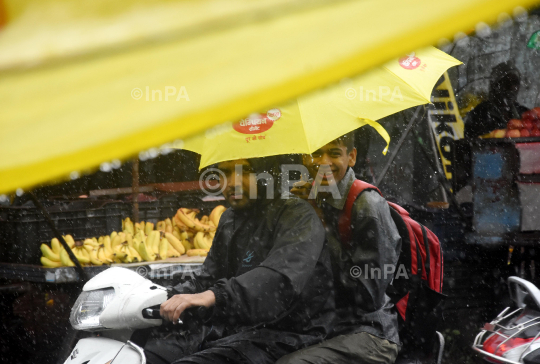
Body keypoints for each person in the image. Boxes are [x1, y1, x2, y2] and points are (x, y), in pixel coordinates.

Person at [144, 156, 335, 364]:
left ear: (267, 173)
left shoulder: (297, 215)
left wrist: (215, 295)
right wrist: (163, 295)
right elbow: (208, 278)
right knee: (149, 354)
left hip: (290, 333)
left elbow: (277, 280)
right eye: (225, 172)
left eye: (245, 170)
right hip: (236, 330)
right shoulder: (229, 218)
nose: (233, 181)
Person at [283, 133, 401, 364]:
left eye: (334, 153)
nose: (323, 162)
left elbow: (368, 294)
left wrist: (319, 224)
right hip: (321, 326)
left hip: (370, 332)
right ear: (305, 159)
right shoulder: (312, 198)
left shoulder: (367, 206)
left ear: (352, 157)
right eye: (316, 153)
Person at [464, 61, 528, 139]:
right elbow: (470, 145)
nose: (513, 87)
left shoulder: (525, 113)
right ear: (495, 86)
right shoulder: (480, 114)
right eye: (507, 83)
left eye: (515, 83)